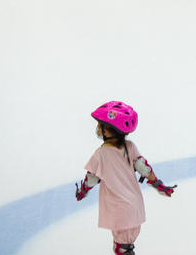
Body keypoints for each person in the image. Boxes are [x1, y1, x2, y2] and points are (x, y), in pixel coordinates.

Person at [75, 101, 176, 255]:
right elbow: (144, 169)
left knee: (122, 249)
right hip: (134, 208)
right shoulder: (130, 147)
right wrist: (159, 185)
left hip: (119, 211)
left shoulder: (100, 154)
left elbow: (91, 179)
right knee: (125, 247)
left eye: (100, 125)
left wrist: (83, 191)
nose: (97, 128)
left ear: (109, 131)